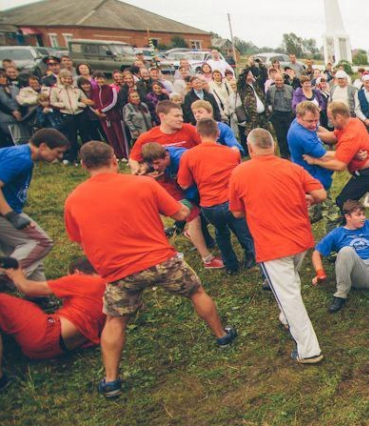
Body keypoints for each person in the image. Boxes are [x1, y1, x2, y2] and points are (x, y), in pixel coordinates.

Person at [65, 141, 236, 399]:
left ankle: (111, 380)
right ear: (114, 159)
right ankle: (222, 335)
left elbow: (78, 238)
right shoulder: (143, 184)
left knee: (115, 320)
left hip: (118, 271)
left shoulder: (73, 199)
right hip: (160, 260)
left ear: (83, 165)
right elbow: (179, 214)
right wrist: (190, 203)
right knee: (196, 292)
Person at [229, 129, 325, 364]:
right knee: (290, 283)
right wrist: (309, 198)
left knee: (288, 294)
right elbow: (320, 193)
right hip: (299, 238)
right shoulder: (291, 167)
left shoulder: (240, 172)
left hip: (272, 244)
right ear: (273, 146)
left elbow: (236, 211)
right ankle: (286, 317)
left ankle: (308, 349)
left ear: (250, 149)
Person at [0, 257, 107, 388]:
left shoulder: (82, 279)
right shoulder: (108, 293)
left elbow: (27, 287)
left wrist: (15, 271)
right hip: (56, 349)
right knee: (29, 308)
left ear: (77, 272)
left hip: (45, 333)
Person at [304, 101, 369, 231]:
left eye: (331, 119)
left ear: (339, 117)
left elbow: (339, 165)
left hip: (368, 174)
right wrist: (313, 133)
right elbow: (333, 136)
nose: (330, 122)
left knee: (343, 201)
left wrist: (315, 160)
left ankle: (346, 231)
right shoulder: (353, 122)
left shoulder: (350, 135)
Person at [177, 118, 255, 274]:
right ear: (218, 133)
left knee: (221, 233)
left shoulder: (189, 156)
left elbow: (183, 184)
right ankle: (253, 257)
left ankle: (230, 265)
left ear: (198, 133)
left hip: (209, 204)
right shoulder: (231, 152)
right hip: (231, 201)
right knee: (244, 232)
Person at [0, 129, 67, 289]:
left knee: (27, 251)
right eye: (58, 152)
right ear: (43, 146)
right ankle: (5, 276)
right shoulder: (21, 159)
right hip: (5, 212)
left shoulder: (20, 154)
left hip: (9, 208)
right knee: (41, 243)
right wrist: (11, 216)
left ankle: (37, 294)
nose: (60, 157)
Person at [311, 199, 369, 313]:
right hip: (357, 274)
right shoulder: (338, 233)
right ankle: (340, 295)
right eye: (358, 215)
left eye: (363, 214)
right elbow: (316, 253)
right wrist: (320, 272)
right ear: (348, 217)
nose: (363, 217)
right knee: (345, 250)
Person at [287, 102, 338, 232]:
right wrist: (351, 151)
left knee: (313, 211)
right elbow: (326, 156)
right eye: (310, 121)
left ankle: (291, 229)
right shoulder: (302, 136)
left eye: (317, 120)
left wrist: (333, 136)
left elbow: (319, 129)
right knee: (333, 215)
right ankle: (332, 249)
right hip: (314, 179)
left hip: (314, 177)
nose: (314, 124)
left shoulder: (300, 122)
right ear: (299, 117)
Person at [128, 101, 201, 173]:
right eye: (176, 116)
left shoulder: (190, 129)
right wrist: (138, 170)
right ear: (162, 116)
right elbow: (133, 159)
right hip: (165, 181)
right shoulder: (147, 137)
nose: (181, 119)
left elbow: (208, 147)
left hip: (191, 175)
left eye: (181, 116)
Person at [265, 73, 295, 158]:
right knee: (280, 136)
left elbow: (295, 101)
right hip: (277, 115)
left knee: (289, 134)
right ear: (274, 80)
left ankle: (291, 152)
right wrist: (270, 110)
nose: (278, 82)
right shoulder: (270, 90)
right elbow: (267, 101)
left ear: (283, 80)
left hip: (288, 115)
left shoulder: (290, 89)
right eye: (277, 80)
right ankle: (283, 154)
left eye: (280, 80)